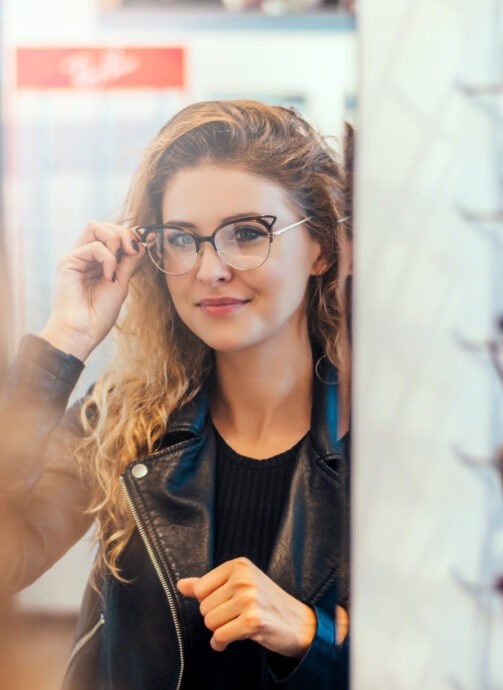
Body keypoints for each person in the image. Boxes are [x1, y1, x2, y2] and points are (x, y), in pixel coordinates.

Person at [0, 99, 350, 690]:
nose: (208, 269)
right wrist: (65, 340)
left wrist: (307, 634)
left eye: (246, 233)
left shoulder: (393, 448)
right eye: (182, 239)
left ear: (319, 246)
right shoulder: (124, 419)